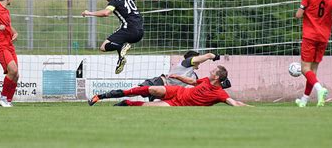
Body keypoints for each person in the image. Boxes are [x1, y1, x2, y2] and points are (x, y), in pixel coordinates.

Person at [81, 0, 158, 74]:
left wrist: (89, 13)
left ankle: (121, 47)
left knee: (103, 47)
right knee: (117, 42)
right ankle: (121, 59)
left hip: (129, 29)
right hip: (140, 32)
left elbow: (106, 13)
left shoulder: (114, 1)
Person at [88, 66, 249, 107]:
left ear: (217, 77)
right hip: (177, 91)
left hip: (178, 104)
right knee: (150, 89)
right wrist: (178, 76)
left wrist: (249, 107)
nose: (211, 71)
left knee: (147, 106)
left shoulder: (219, 93)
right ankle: (103, 96)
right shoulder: (206, 79)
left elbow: (233, 102)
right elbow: (192, 82)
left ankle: (126, 103)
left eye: (213, 71)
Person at [295, 0, 332, 107]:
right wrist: (331, 21)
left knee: (305, 69)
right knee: (313, 70)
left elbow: (298, 15)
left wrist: (303, 11)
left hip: (310, 36)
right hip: (323, 37)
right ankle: (304, 100)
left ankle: (320, 89)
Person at [138, 50, 223, 101]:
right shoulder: (185, 63)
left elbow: (202, 88)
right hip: (159, 82)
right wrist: (213, 56)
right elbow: (208, 56)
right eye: (198, 58)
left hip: (166, 93)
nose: (200, 61)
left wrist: (221, 85)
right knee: (138, 90)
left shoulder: (194, 76)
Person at [0, 0, 19, 107]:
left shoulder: (6, 11)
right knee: (12, 70)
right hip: (0, 46)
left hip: (9, 45)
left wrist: (15, 32)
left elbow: (8, 26)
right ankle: (3, 98)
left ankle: (8, 100)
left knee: (16, 74)